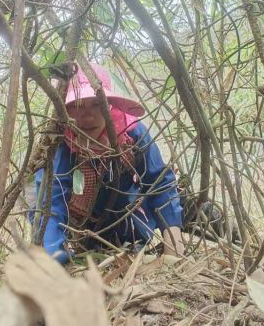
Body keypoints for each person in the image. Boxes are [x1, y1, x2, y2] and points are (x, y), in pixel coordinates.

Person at [32, 62, 185, 262]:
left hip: (132, 223)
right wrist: (55, 260)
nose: (88, 116)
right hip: (83, 234)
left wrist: (174, 248)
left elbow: (160, 184)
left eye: (97, 103)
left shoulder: (131, 134)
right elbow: (51, 206)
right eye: (76, 106)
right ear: (64, 111)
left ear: (108, 105)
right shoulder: (59, 145)